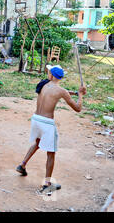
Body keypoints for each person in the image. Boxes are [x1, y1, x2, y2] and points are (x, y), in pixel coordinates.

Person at [16, 65, 87, 194]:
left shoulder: (43, 84)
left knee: (37, 143)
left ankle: (22, 164)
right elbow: (78, 108)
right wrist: (80, 95)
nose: (48, 73)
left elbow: (59, 92)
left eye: (49, 72)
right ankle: (47, 184)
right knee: (51, 153)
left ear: (52, 76)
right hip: (47, 123)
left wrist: (75, 92)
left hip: (36, 119)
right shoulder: (60, 91)